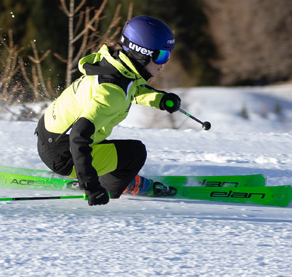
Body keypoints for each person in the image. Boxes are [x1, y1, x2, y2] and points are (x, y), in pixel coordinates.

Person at [35, 15, 182, 206]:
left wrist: (160, 99)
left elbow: (130, 89)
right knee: (135, 153)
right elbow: (79, 137)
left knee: (116, 146)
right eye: (162, 55)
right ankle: (118, 185)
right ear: (141, 53)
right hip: (64, 154)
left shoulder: (113, 65)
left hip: (50, 136)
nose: (164, 63)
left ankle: (91, 172)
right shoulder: (112, 93)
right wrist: (91, 187)